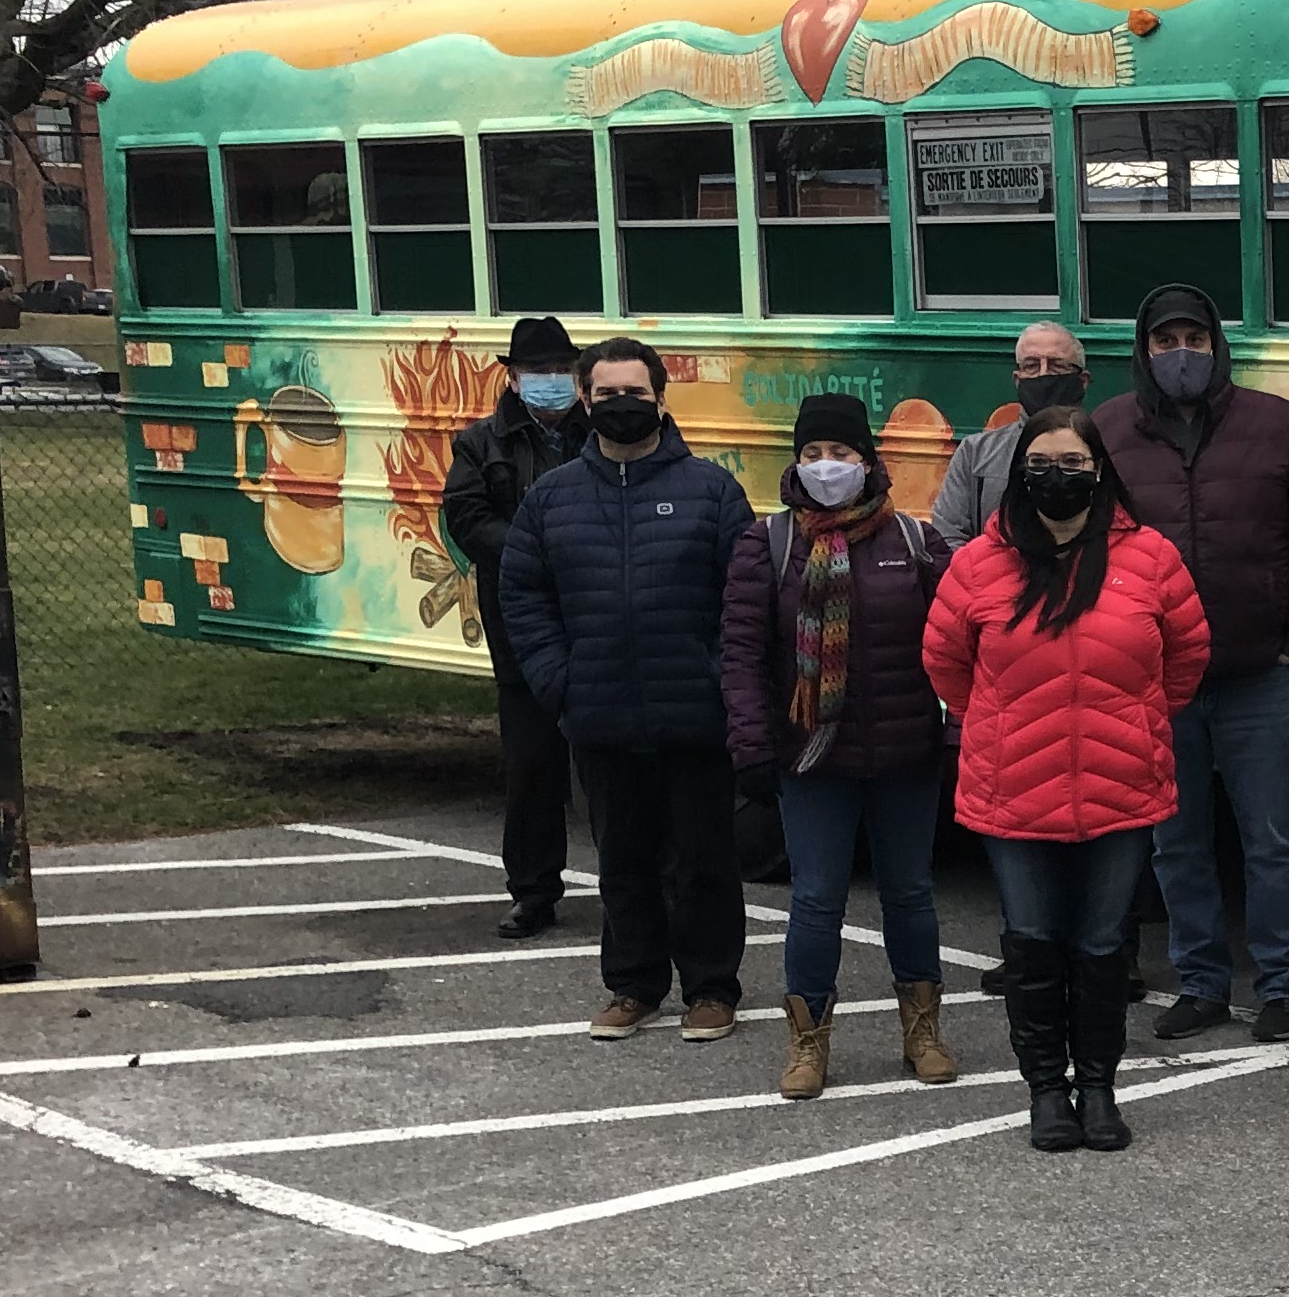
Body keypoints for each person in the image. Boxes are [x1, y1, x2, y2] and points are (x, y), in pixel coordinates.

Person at [920, 408, 1210, 1153]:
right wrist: (1004, 720)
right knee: (1034, 943)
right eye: (1042, 462)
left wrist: (1131, 720)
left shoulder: (1149, 557)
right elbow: (947, 662)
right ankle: (1047, 1090)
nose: (1058, 475)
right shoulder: (980, 562)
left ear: (1101, 470)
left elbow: (1185, 657)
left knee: (1105, 943)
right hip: (1013, 787)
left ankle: (1100, 1087)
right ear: (1019, 473)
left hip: (1120, 785)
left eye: (1073, 462)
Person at [1088, 282, 1289, 1047]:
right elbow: (1087, 539)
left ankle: (1282, 985)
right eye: (1165, 341)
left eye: (1194, 338)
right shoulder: (1110, 429)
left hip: (1258, 670)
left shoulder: (1278, 426)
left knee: (1272, 835)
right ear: (1144, 349)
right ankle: (1199, 981)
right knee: (1177, 838)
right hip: (1155, 680)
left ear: (1216, 343)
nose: (1181, 354)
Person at [498, 337, 755, 1040]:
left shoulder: (711, 490)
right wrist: (561, 682)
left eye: (634, 393)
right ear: (586, 399)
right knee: (623, 861)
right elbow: (522, 593)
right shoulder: (551, 499)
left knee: (705, 860)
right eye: (606, 393)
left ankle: (711, 989)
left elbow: (745, 599)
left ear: (661, 398)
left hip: (695, 717)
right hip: (600, 714)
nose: (621, 405)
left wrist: (720, 680)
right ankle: (633, 985)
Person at [722, 393, 960, 1102]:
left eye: (843, 454)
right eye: (815, 454)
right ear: (796, 462)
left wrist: (951, 734)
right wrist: (753, 746)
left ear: (869, 461)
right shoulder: (767, 545)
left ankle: (922, 1033)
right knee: (817, 901)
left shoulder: (914, 543)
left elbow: (955, 645)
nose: (829, 467)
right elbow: (738, 654)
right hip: (811, 759)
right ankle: (808, 1043)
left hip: (905, 757)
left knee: (911, 895)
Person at [438, 315, 586, 937]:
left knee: (617, 762)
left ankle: (640, 885)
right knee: (531, 764)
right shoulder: (481, 443)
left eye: (560, 370)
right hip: (521, 620)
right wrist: (536, 548)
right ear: (512, 375)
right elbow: (467, 518)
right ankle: (533, 890)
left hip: (595, 612)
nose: (550, 381)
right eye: (537, 370)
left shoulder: (601, 430)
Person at [930, 321, 1094, 547]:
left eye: (1056, 365)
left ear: (1082, 380)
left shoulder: (1107, 446)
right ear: (1017, 379)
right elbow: (947, 537)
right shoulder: (975, 454)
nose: (1043, 374)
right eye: (1032, 365)